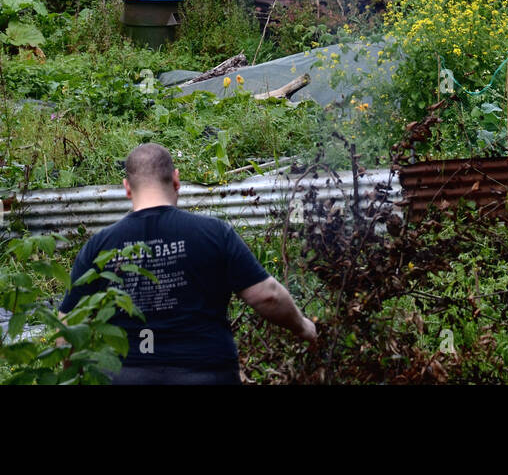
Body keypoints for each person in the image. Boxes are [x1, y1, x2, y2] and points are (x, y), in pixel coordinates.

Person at [57, 143, 317, 385]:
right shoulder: (213, 233)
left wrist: (75, 375)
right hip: (206, 374)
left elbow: (66, 327)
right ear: (177, 179)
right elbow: (268, 296)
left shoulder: (100, 246)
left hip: (128, 376)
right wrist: (304, 327)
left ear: (127, 187)